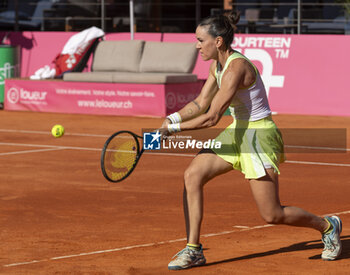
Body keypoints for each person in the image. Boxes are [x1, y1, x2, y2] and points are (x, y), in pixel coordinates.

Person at [160, 10, 342, 271]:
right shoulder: (217, 66)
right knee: (192, 175)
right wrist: (172, 118)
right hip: (237, 131)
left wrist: (172, 130)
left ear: (218, 42)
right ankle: (193, 250)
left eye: (201, 40)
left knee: (272, 214)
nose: (196, 45)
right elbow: (200, 102)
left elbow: (211, 117)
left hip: (259, 135)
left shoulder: (236, 68)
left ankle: (327, 225)